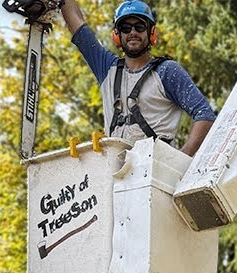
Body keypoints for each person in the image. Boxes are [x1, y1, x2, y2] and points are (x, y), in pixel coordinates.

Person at [59, 0, 216, 156]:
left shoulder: (167, 71)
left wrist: (182, 158)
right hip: (114, 167)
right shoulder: (107, 69)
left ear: (151, 32)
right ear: (117, 35)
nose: (132, 32)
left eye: (139, 27)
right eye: (126, 28)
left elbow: (204, 114)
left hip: (156, 166)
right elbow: (77, 24)